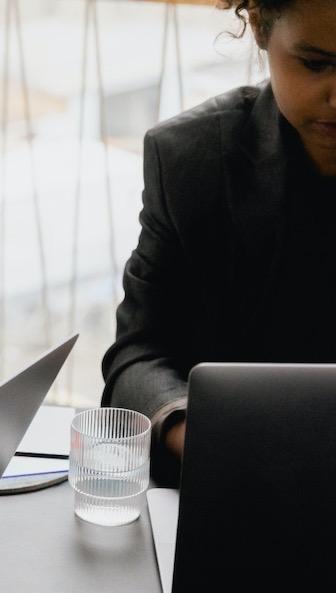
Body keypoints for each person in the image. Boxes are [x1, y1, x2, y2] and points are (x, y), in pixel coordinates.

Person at [102, 0, 336, 486]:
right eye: (316, 64)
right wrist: (201, 438)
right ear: (258, 28)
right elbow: (138, 355)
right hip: (236, 489)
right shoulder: (191, 160)